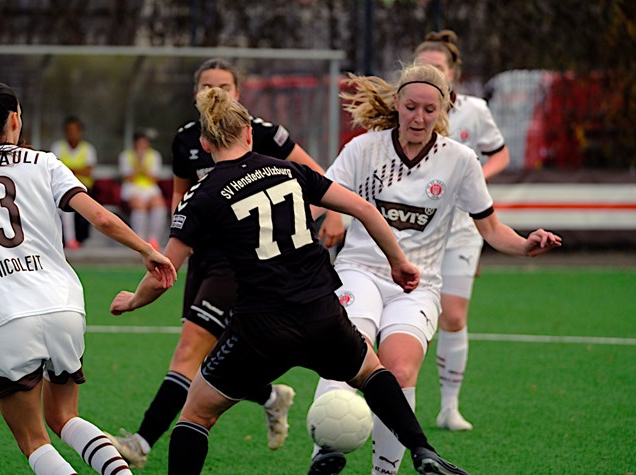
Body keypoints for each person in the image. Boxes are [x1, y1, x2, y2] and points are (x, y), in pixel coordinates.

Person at [110, 86, 468, 475]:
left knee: (195, 414)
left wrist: (132, 300)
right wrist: (398, 261)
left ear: (205, 143)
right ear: (249, 133)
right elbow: (364, 208)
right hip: (322, 312)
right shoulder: (290, 170)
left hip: (260, 328)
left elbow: (165, 273)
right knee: (372, 372)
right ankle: (422, 449)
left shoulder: (203, 194)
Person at [309, 65, 561, 475]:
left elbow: (492, 229)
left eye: (430, 109)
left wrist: (525, 245)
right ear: (397, 104)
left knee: (401, 368)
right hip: (359, 269)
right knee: (348, 352)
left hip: (418, 283)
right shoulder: (363, 149)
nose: (419, 118)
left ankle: (384, 472)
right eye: (410, 107)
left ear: (443, 109)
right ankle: (325, 453)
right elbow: (320, 198)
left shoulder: (460, 161)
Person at [104, 58, 345, 467]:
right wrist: (180, 246)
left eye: (224, 85)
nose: (215, 92)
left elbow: (316, 177)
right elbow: (183, 198)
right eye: (206, 86)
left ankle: (140, 445)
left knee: (188, 352)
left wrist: (324, 218)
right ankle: (270, 396)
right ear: (196, 94)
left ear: (239, 91)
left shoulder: (264, 133)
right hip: (204, 261)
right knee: (208, 355)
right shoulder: (186, 140)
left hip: (241, 264)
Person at [0, 81, 176, 475]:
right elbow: (102, 217)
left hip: (4, 318)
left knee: (34, 440)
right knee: (65, 418)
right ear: (13, 119)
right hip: (64, 308)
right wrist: (148, 250)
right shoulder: (45, 162)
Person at [414, 29, 511, 432]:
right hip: (414, 229)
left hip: (463, 228)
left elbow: (500, 152)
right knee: (411, 318)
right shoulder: (405, 108)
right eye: (422, 67)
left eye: (437, 67)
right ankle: (396, 397)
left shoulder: (474, 110)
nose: (430, 73)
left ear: (453, 72)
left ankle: (449, 407)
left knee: (453, 316)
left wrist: (477, 177)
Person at [50, 115, 98, 249]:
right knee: (65, 208)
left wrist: (68, 169)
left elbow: (88, 172)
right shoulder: (57, 147)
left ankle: (79, 239)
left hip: (83, 188)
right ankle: (69, 241)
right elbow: (54, 171)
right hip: (62, 188)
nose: (72, 134)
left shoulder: (88, 149)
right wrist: (78, 170)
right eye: (69, 130)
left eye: (75, 130)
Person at [119, 129, 167, 249]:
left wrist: (143, 166)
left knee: (159, 205)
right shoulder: (126, 155)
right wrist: (138, 163)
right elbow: (128, 177)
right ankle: (139, 240)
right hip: (132, 188)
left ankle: (154, 239)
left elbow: (155, 178)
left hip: (150, 188)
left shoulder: (154, 155)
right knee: (139, 205)